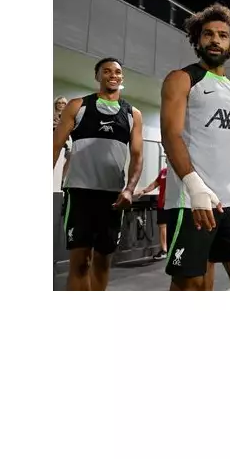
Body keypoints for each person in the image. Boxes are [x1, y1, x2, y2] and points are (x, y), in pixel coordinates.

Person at [160, 2, 230, 291]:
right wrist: (195, 188)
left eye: (222, 35)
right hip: (192, 200)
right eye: (208, 34)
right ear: (198, 40)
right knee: (194, 285)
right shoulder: (181, 79)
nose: (215, 40)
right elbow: (170, 136)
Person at [52, 58, 144, 290]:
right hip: (80, 193)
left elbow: (137, 157)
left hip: (112, 197)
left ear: (122, 78)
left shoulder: (133, 114)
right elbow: (54, 146)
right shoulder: (78, 106)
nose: (113, 75)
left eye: (117, 72)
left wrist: (130, 189)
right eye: (107, 71)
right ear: (97, 76)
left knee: (102, 262)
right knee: (80, 262)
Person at [134, 166, 169, 261]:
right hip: (162, 205)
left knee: (172, 226)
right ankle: (164, 250)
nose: (167, 159)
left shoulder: (177, 171)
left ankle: (174, 249)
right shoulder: (163, 172)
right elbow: (155, 184)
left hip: (173, 205)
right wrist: (144, 191)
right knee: (162, 226)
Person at [54, 96, 72, 185]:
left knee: (71, 156)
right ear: (56, 104)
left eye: (64, 103)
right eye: (59, 103)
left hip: (63, 143)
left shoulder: (68, 117)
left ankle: (61, 180)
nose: (61, 105)